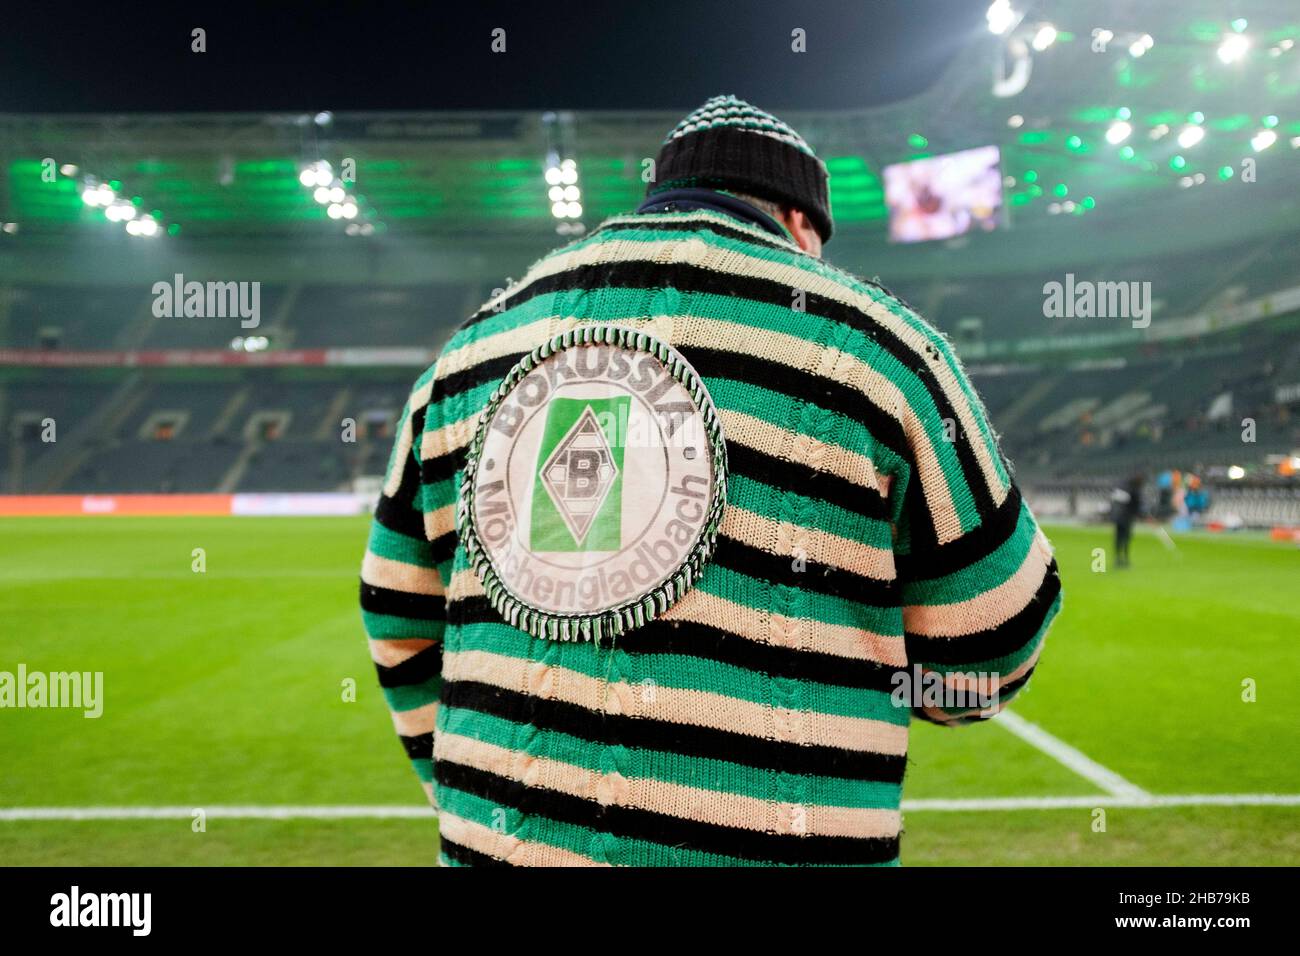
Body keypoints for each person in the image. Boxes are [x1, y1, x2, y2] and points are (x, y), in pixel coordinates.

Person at [359, 94, 1062, 866]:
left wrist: (469, 790)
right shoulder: (880, 349)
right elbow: (994, 639)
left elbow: (396, 618)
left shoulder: (467, 353)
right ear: (801, 223)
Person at [1111, 472, 1143, 567]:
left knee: (1118, 538)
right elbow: (1136, 507)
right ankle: (1124, 559)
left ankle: (1118, 559)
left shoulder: (1123, 489)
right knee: (1125, 539)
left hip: (1119, 518)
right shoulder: (1135, 491)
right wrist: (1141, 514)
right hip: (1126, 519)